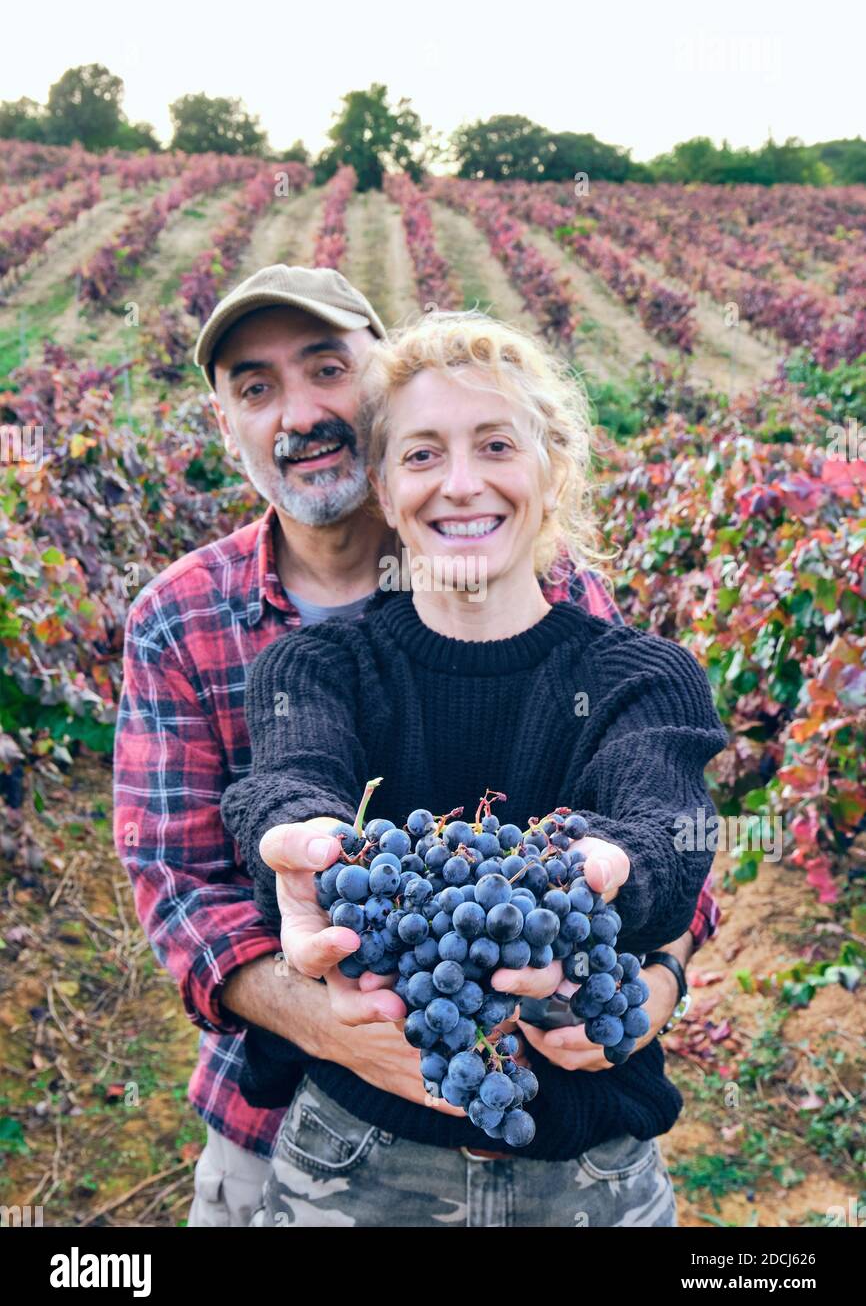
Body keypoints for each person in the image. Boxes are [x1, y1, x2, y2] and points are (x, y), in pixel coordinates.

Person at [113, 265, 719, 1227]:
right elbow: (242, 823)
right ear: (391, 487)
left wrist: (653, 968)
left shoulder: (608, 646)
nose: (462, 482)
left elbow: (669, 820)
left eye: (325, 368)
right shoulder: (233, 637)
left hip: (583, 1147)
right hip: (325, 1124)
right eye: (255, 387)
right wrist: (309, 874)